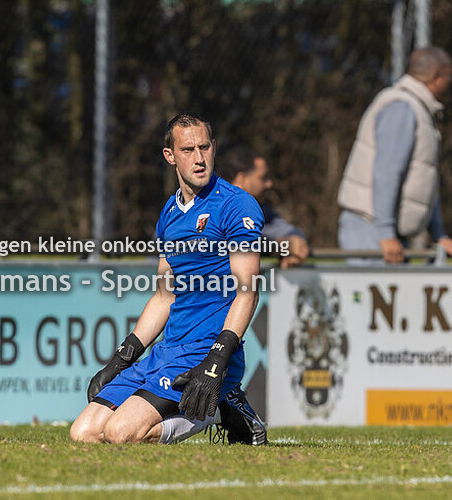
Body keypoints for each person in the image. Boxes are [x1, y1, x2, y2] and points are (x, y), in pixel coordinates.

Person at [70, 114, 267, 445]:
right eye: (188, 150)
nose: (199, 158)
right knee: (84, 432)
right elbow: (164, 296)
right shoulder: (170, 213)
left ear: (214, 147)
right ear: (170, 155)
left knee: (121, 433)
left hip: (207, 351)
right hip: (167, 351)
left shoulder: (237, 205)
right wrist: (121, 358)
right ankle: (221, 406)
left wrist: (217, 359)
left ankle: (224, 408)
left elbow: (248, 293)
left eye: (204, 147)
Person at [337, 46, 452, 267]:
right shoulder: (401, 108)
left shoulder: (420, 110)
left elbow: (425, 181)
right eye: (448, 77)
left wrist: (440, 236)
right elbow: (387, 172)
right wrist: (385, 232)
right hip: (371, 229)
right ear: (436, 78)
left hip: (388, 233)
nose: (450, 83)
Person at [215, 145, 310, 268]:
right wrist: (281, 246)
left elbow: (293, 235)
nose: (269, 184)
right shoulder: (212, 210)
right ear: (242, 179)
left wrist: (293, 249)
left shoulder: (261, 212)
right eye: (263, 178)